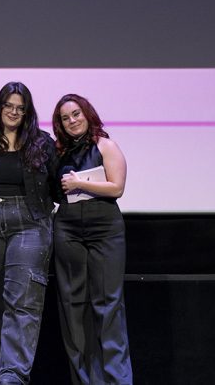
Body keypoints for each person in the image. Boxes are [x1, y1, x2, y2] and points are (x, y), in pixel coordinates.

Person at [0, 82, 57, 385]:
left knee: (22, 302)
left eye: (21, 108)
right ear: (0, 107)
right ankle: (8, 375)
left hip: (30, 223)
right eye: (9, 105)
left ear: (28, 112)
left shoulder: (42, 143)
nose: (14, 112)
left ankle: (12, 379)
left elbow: (57, 186)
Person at [50, 93, 133, 385]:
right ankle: (85, 380)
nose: (72, 121)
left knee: (108, 304)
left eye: (76, 114)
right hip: (68, 229)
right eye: (65, 117)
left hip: (104, 229)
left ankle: (116, 380)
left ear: (87, 114)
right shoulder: (58, 152)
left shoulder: (105, 145)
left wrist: (78, 182)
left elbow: (117, 187)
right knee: (73, 306)